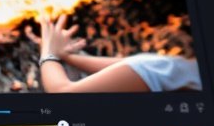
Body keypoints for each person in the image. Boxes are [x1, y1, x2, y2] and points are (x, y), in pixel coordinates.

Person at [28, 13, 202, 93]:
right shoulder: (177, 66)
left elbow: (63, 92)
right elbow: (125, 67)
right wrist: (64, 55)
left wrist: (48, 53)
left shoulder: (164, 67)